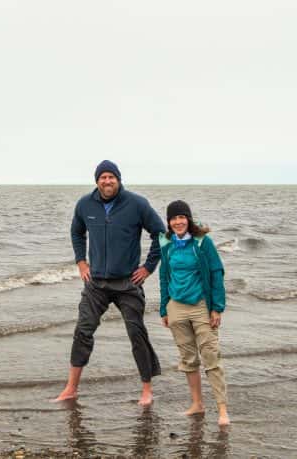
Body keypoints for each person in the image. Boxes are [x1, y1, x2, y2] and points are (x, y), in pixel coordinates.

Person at [54, 160, 166, 405]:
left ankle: (147, 390)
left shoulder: (137, 204)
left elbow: (160, 234)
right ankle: (71, 388)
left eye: (111, 177)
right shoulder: (85, 204)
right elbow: (76, 232)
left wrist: (148, 267)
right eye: (102, 177)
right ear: (97, 181)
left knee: (137, 333)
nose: (107, 181)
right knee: (82, 331)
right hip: (96, 284)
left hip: (128, 283)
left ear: (118, 179)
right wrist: (81, 262)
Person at [159, 200, 229, 426]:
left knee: (211, 356)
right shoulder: (167, 245)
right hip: (176, 307)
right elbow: (163, 278)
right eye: (174, 218)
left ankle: (222, 410)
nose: (178, 222)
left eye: (182, 217)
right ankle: (197, 404)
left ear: (188, 219)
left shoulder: (202, 243)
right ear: (169, 222)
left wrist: (217, 307)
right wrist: (164, 308)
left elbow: (217, 273)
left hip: (201, 306)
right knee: (188, 359)